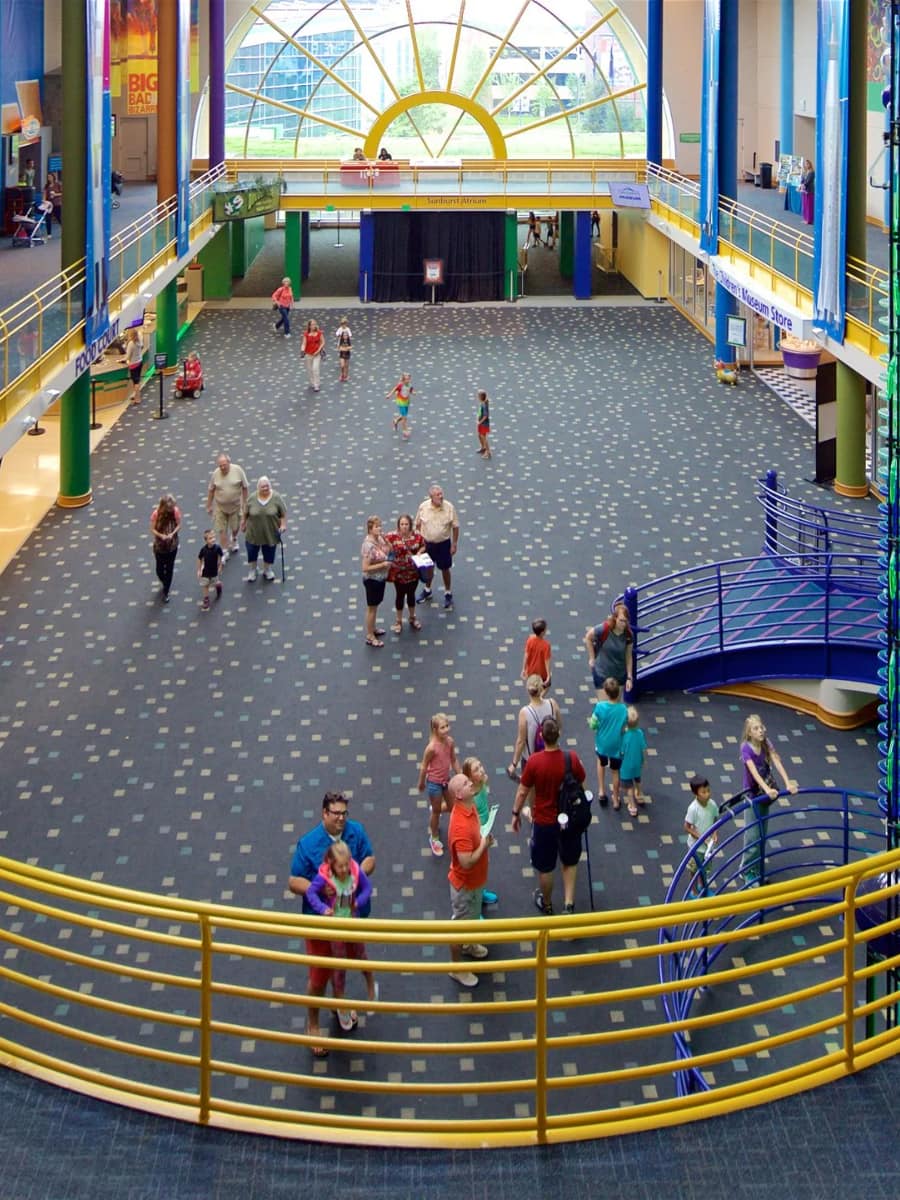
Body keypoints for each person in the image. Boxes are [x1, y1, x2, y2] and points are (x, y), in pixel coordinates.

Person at [288, 793, 376, 1058]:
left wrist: (358, 873)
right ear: (324, 813)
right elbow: (294, 881)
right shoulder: (308, 844)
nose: (341, 819)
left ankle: (339, 1001)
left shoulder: (355, 831)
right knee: (318, 976)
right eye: (335, 813)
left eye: (344, 813)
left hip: (349, 921)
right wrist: (325, 889)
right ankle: (313, 1024)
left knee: (347, 963)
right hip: (322, 925)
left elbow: (370, 858)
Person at [511, 717, 587, 915]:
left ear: (542, 738)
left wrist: (516, 813)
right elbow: (582, 787)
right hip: (569, 820)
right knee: (569, 862)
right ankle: (569, 904)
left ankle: (547, 903)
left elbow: (522, 791)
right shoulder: (571, 758)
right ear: (559, 735)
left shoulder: (535, 762)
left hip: (544, 822)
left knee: (545, 867)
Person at [305, 839, 376, 1017]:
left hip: (352, 921)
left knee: (361, 955)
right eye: (340, 867)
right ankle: (340, 996)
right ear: (331, 864)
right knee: (339, 963)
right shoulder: (324, 877)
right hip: (335, 925)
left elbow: (368, 888)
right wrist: (323, 909)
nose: (344, 870)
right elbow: (310, 892)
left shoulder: (355, 871)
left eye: (346, 865)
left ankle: (370, 983)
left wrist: (358, 902)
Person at [446, 773, 494, 988]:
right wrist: (484, 845)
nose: (470, 783)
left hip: (476, 881)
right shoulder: (459, 827)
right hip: (465, 884)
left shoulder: (470, 805)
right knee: (459, 927)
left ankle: (470, 944)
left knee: (472, 917)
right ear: (458, 794)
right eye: (465, 783)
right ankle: (456, 968)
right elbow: (465, 862)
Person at [739, 714, 798, 884]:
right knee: (752, 835)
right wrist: (766, 790)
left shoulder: (766, 743)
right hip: (753, 796)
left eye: (761, 727)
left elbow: (777, 761)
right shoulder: (746, 748)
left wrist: (788, 783)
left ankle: (755, 867)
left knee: (762, 835)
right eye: (756, 728)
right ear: (749, 733)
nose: (761, 731)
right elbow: (753, 772)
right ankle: (746, 870)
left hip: (765, 795)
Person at [417, 712, 460, 857]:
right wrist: (421, 782)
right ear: (435, 730)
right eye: (442, 727)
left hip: (446, 781)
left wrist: (460, 775)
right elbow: (424, 766)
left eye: (447, 726)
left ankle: (437, 808)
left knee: (453, 806)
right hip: (434, 784)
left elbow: (453, 760)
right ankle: (434, 837)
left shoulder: (450, 742)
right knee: (436, 812)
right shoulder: (431, 748)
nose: (446, 729)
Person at [461, 757, 499, 908]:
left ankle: (480, 893)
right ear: (469, 777)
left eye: (480, 766)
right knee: (474, 869)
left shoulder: (482, 782)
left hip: (484, 829)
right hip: (475, 834)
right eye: (476, 769)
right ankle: (473, 906)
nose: (481, 770)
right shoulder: (469, 797)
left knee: (483, 864)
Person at [507, 675, 560, 783]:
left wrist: (514, 764)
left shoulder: (524, 712)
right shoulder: (552, 704)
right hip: (552, 755)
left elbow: (521, 741)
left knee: (532, 795)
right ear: (542, 688)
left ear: (528, 690)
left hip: (531, 760)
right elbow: (559, 727)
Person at [414, 485, 459, 610]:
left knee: (445, 568)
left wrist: (454, 544)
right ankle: (427, 590)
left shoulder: (449, 507)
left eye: (441, 493)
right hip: (427, 544)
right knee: (428, 567)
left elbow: (455, 526)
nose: (441, 496)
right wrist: (419, 541)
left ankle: (448, 592)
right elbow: (417, 524)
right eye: (438, 495)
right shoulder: (423, 507)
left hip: (444, 544)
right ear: (431, 497)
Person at [589, 676, 628, 811]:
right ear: (618, 692)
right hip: (617, 745)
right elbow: (624, 727)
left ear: (605, 692)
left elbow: (593, 725)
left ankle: (601, 791)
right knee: (615, 772)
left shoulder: (600, 707)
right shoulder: (623, 709)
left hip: (602, 744)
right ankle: (616, 799)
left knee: (601, 763)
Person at [385, 513, 425, 634]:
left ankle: (412, 618)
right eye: (402, 524)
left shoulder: (417, 536)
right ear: (398, 525)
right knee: (400, 596)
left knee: (411, 595)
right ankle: (398, 621)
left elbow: (423, 546)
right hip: (399, 573)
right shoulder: (392, 536)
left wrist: (419, 552)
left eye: (406, 524)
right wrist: (389, 552)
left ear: (410, 525)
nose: (404, 526)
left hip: (413, 572)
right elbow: (382, 541)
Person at [241, 476, 286, 583]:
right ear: (258, 488)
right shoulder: (252, 498)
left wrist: (283, 525)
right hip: (253, 532)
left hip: (270, 531)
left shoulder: (276, 497)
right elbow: (245, 512)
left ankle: (267, 569)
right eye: (262, 487)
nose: (265, 488)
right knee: (252, 551)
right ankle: (253, 569)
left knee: (269, 552)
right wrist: (243, 523)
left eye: (267, 486)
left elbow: (283, 513)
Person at [206, 453, 249, 564]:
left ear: (229, 463)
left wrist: (245, 503)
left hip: (235, 507)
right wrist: (209, 505)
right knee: (222, 530)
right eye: (220, 466)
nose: (222, 468)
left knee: (235, 527)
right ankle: (224, 551)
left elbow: (245, 487)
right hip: (220, 507)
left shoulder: (238, 470)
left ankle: (234, 538)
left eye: (224, 465)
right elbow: (211, 489)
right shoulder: (216, 474)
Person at [585, 603, 634, 695]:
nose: (624, 624)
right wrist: (591, 658)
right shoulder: (605, 629)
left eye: (626, 621)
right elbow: (588, 637)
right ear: (615, 618)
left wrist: (629, 677)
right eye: (621, 620)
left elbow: (628, 656)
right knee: (604, 706)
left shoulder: (628, 635)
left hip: (619, 676)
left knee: (615, 705)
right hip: (602, 674)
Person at [684, 775, 719, 895]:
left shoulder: (712, 805)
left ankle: (702, 886)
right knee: (693, 869)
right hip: (696, 847)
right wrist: (702, 838)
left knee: (705, 870)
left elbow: (715, 820)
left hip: (708, 846)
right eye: (703, 792)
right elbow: (687, 827)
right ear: (696, 793)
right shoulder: (693, 809)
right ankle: (693, 891)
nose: (707, 794)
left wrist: (715, 833)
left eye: (708, 790)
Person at [360, 516, 390, 647]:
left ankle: (373, 628)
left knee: (376, 605)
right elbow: (365, 568)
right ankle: (370, 635)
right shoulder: (368, 546)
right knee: (371, 608)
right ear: (370, 529)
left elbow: (389, 550)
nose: (380, 528)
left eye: (380, 526)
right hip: (372, 580)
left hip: (381, 578)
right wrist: (383, 565)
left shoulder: (380, 539)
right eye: (376, 527)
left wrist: (387, 543)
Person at [149, 493, 181, 603]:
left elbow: (178, 525)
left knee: (170, 568)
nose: (171, 510)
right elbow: (152, 529)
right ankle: (165, 581)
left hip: (172, 544)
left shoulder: (175, 511)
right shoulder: (156, 514)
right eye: (169, 508)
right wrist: (161, 535)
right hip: (159, 545)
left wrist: (172, 533)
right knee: (159, 569)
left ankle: (166, 591)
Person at [620, 705, 647, 818]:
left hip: (626, 766)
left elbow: (622, 752)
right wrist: (643, 760)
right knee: (637, 779)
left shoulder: (625, 736)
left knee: (629, 787)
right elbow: (643, 749)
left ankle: (632, 806)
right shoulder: (640, 733)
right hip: (637, 763)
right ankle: (640, 794)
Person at [196, 528, 224, 611]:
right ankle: (206, 599)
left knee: (215, 581)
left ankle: (218, 586)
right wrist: (199, 570)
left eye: (214, 537)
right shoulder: (203, 550)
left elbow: (220, 557)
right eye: (210, 538)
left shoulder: (217, 548)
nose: (213, 539)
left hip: (214, 570)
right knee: (205, 585)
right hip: (205, 571)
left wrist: (220, 567)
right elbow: (199, 559)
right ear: (206, 540)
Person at [521, 618, 551, 690]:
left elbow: (526, 655)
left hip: (531, 671)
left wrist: (523, 669)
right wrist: (548, 675)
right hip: (541, 672)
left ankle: (535, 699)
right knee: (546, 686)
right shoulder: (546, 645)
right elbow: (547, 661)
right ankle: (539, 699)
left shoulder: (530, 639)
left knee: (532, 687)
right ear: (542, 632)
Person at [301, 319, 325, 392]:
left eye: (315, 324)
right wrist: (302, 351)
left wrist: (318, 350)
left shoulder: (319, 333)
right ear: (309, 326)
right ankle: (312, 382)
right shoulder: (306, 334)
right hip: (308, 354)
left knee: (315, 369)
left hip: (317, 354)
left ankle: (316, 384)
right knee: (310, 370)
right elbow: (304, 343)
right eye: (312, 324)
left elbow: (323, 342)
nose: (314, 326)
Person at [388, 372, 414, 439]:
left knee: (403, 416)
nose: (408, 380)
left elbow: (411, 390)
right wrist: (389, 395)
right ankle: (405, 432)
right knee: (404, 418)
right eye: (406, 379)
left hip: (406, 402)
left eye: (409, 379)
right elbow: (395, 389)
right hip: (401, 402)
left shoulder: (410, 385)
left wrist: (413, 392)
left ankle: (395, 420)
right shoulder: (400, 385)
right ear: (403, 380)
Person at [123, 328, 144, 404]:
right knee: (137, 380)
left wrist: (123, 360)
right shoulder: (139, 340)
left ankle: (137, 399)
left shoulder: (131, 343)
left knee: (136, 382)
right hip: (140, 362)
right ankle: (136, 395)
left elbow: (128, 356)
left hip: (133, 365)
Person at [335, 317, 352, 381]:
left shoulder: (348, 329)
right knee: (342, 365)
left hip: (347, 346)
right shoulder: (340, 329)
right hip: (341, 344)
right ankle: (342, 374)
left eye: (344, 324)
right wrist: (340, 336)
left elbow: (350, 336)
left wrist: (347, 343)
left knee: (346, 365)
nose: (343, 325)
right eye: (342, 324)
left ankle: (346, 375)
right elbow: (337, 334)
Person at [476, 389, 491, 459]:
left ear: (481, 397)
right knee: (479, 435)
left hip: (484, 424)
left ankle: (488, 452)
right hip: (481, 423)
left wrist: (480, 422)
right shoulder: (482, 403)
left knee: (483, 437)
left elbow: (485, 416)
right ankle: (483, 447)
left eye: (478, 395)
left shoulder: (484, 405)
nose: (477, 396)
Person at [800, 159, 815, 225]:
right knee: (805, 205)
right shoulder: (805, 172)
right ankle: (805, 219)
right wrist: (800, 185)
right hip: (804, 191)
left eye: (807, 164)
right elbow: (802, 180)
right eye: (805, 164)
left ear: (810, 164)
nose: (806, 165)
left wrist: (803, 185)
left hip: (809, 191)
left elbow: (807, 182)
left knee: (809, 206)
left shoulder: (812, 172)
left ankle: (809, 220)